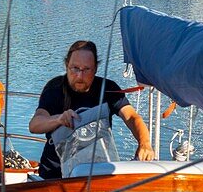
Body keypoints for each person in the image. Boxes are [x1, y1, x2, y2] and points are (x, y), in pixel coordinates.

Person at [29, 39, 154, 179]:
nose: (79, 76)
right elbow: (35, 125)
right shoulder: (55, 88)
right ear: (66, 65)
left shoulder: (108, 89)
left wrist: (145, 143)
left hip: (98, 173)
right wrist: (58, 119)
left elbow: (131, 116)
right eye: (75, 68)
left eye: (86, 69)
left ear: (95, 69)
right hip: (54, 175)